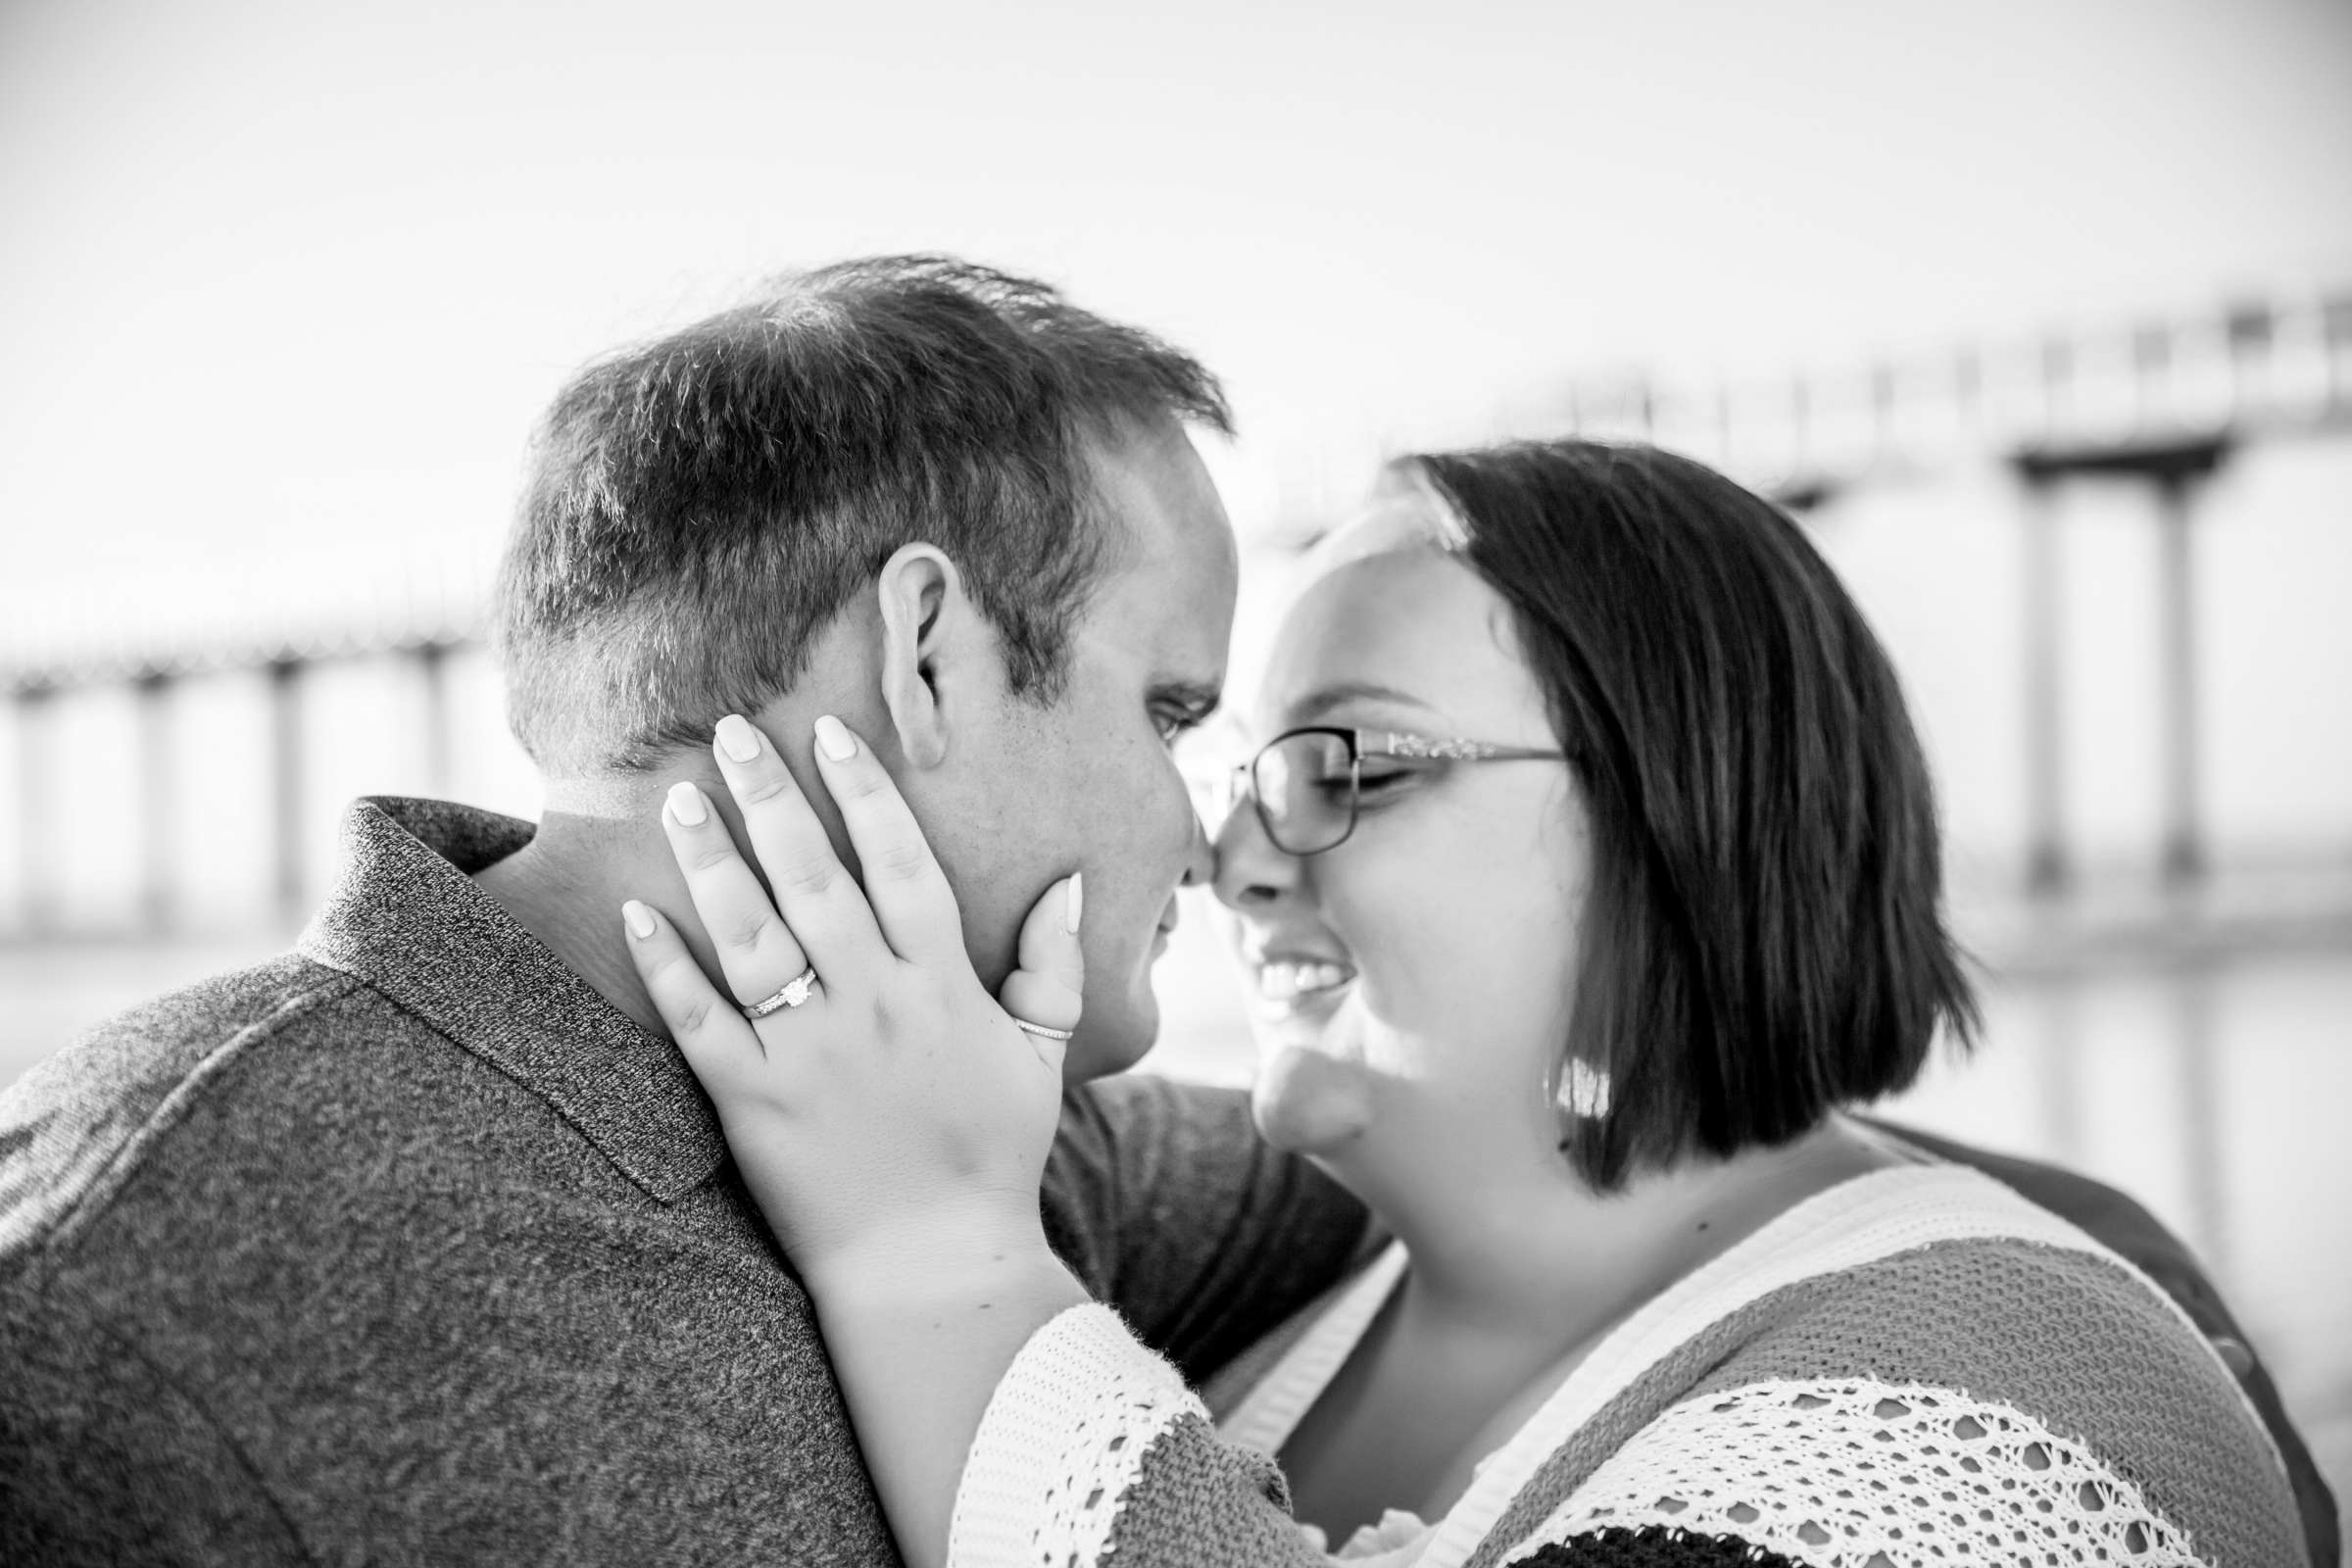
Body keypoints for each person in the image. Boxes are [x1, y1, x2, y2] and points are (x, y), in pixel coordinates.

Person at [627, 440, 2327, 1567]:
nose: (1225, 856)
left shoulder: (2002, 1401)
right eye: (1231, 766)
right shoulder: (1285, 1301)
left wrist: (929, 1251)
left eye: (1343, 764)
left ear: (1681, 809)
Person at [0, 257, 1373, 1564]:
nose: (1206, 840)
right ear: (930, 658)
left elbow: (1434, 1159)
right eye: (1170, 712)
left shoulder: (1001, 1141)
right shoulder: (132, 1270)